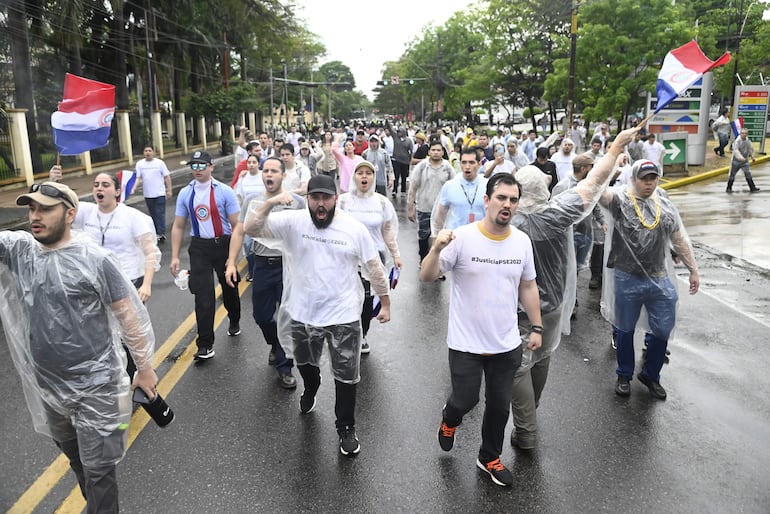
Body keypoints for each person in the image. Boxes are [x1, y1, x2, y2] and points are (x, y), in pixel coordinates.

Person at [1, 181, 158, 512]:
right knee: (80, 465)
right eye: (31, 209)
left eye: (45, 208)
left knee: (100, 472)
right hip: (50, 388)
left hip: (98, 389)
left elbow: (129, 317)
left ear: (70, 214)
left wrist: (144, 369)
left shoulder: (95, 260)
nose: (35, 216)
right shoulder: (21, 252)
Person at [508, 125, 638, 450]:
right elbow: (592, 184)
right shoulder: (556, 214)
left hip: (516, 311)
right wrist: (614, 147)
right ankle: (531, 414)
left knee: (516, 367)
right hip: (552, 308)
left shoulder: (505, 220)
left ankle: (526, 429)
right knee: (541, 357)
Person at [244, 174, 391, 456]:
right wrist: (272, 201)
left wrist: (385, 302)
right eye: (315, 198)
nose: (321, 205)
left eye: (326, 198)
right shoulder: (293, 221)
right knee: (306, 365)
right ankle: (311, 387)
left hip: (344, 314)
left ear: (336, 199)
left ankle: (346, 426)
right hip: (303, 313)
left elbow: (374, 268)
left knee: (347, 375)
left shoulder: (353, 228)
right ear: (308, 199)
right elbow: (251, 228)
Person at [420, 173, 543, 487]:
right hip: (466, 343)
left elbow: (528, 285)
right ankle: (450, 419)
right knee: (465, 400)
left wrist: (537, 326)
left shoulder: (521, 241)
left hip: (506, 343)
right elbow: (427, 276)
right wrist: (435, 249)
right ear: (487, 200)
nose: (507, 205)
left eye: (513, 200)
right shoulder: (462, 237)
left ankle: (489, 456)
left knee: (500, 407)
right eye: (501, 198)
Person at [599, 159, 700, 400]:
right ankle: (624, 374)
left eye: (653, 178)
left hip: (658, 277)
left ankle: (651, 375)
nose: (649, 183)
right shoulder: (620, 200)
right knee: (625, 329)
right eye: (644, 178)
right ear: (633, 179)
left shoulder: (663, 204)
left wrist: (693, 269)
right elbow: (595, 191)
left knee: (663, 328)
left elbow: (679, 239)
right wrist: (611, 166)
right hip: (627, 277)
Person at [225, 157, 305, 388]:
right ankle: (275, 343)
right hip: (261, 264)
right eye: (266, 171)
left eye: (274, 171)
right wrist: (232, 262)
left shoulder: (296, 202)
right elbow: (239, 232)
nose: (269, 175)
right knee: (261, 316)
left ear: (283, 176)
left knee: (288, 317)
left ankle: (284, 366)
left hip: (288, 267)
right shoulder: (253, 200)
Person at [170, 150, 242, 361]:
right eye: (194, 166)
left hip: (223, 244)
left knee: (230, 288)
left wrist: (233, 258)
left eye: (202, 165)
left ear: (211, 167)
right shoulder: (186, 193)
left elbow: (237, 226)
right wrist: (174, 256)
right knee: (203, 296)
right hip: (200, 247)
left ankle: (234, 317)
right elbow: (179, 225)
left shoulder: (224, 191)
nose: (198, 170)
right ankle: (205, 344)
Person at [338, 161, 402, 354]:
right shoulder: (342, 201)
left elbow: (387, 230)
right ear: (353, 177)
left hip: (374, 259)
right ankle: (346, 333)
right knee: (347, 297)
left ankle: (361, 334)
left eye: (368, 173)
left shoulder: (381, 202)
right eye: (360, 173)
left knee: (367, 299)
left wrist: (396, 254)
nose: (364, 177)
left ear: (374, 177)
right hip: (348, 259)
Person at [407, 140, 456, 264]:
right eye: (433, 150)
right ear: (429, 152)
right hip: (424, 207)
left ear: (442, 152)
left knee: (440, 238)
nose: (435, 152)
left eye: (438, 150)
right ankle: (423, 261)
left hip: (441, 210)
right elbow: (413, 187)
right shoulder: (422, 166)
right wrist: (410, 208)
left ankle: (438, 264)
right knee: (423, 236)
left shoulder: (447, 167)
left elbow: (455, 187)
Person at [431, 147, 488, 235]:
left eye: (472, 162)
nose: (467, 167)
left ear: (479, 164)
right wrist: (437, 238)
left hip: (481, 236)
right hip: (455, 237)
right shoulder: (450, 186)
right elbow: (439, 216)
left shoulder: (487, 186)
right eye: (464, 162)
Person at [134, 145, 172, 242]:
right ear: (143, 153)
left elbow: (167, 177)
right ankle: (156, 232)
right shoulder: (140, 164)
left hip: (159, 193)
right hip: (148, 194)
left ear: (153, 152)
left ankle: (161, 232)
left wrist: (169, 190)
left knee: (160, 213)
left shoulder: (159, 163)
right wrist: (133, 188)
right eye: (146, 151)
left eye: (150, 150)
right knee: (153, 214)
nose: (148, 152)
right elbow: (138, 178)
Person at [726, 127, 760, 193]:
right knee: (732, 174)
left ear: (747, 134)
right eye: (742, 133)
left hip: (745, 161)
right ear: (740, 134)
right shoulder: (737, 141)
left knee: (748, 173)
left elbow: (750, 149)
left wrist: (752, 157)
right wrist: (740, 157)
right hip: (736, 161)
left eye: (745, 133)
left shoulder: (747, 140)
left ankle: (752, 187)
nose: (744, 134)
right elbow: (736, 150)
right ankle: (729, 188)